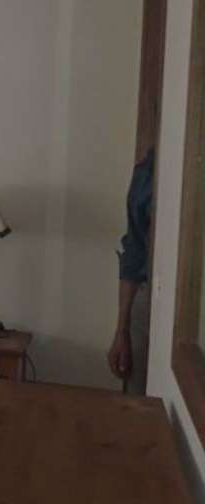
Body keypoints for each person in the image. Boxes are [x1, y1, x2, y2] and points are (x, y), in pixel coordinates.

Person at [108, 148, 154, 395]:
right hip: (146, 303)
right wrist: (122, 330)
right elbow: (134, 253)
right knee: (138, 403)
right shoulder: (146, 172)